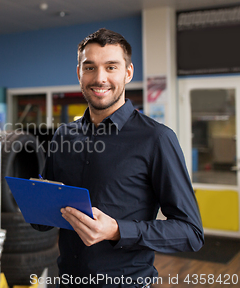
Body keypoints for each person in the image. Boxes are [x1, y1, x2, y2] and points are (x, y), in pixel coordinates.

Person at [33, 28, 204, 288]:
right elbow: (46, 221)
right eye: (89, 68)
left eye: (111, 67)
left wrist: (116, 230)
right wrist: (34, 199)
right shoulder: (63, 136)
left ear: (128, 73)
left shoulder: (156, 139)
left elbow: (191, 233)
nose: (99, 78)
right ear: (79, 73)